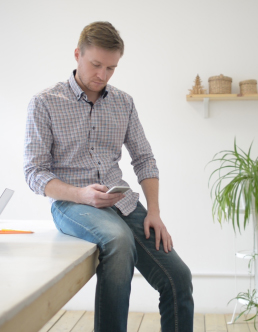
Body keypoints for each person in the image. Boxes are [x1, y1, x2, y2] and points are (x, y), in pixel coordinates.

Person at [23, 21, 194, 332]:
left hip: (124, 202)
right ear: (77, 54)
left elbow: (144, 159)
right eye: (96, 64)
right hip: (72, 204)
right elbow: (34, 172)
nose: (102, 75)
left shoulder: (123, 102)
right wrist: (83, 195)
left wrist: (154, 212)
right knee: (118, 239)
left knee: (179, 278)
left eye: (111, 68)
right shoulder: (44, 102)